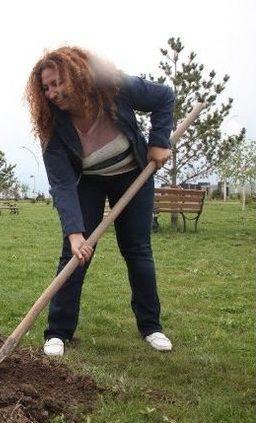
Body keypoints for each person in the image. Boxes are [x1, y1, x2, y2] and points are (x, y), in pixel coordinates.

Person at [25, 46, 174, 356]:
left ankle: (151, 326)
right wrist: (75, 233)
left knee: (137, 250)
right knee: (74, 253)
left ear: (76, 76)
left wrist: (159, 142)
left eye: (57, 83)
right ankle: (58, 332)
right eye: (46, 88)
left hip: (133, 174)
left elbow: (163, 97)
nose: (52, 93)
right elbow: (62, 183)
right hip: (89, 181)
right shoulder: (52, 124)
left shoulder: (112, 87)